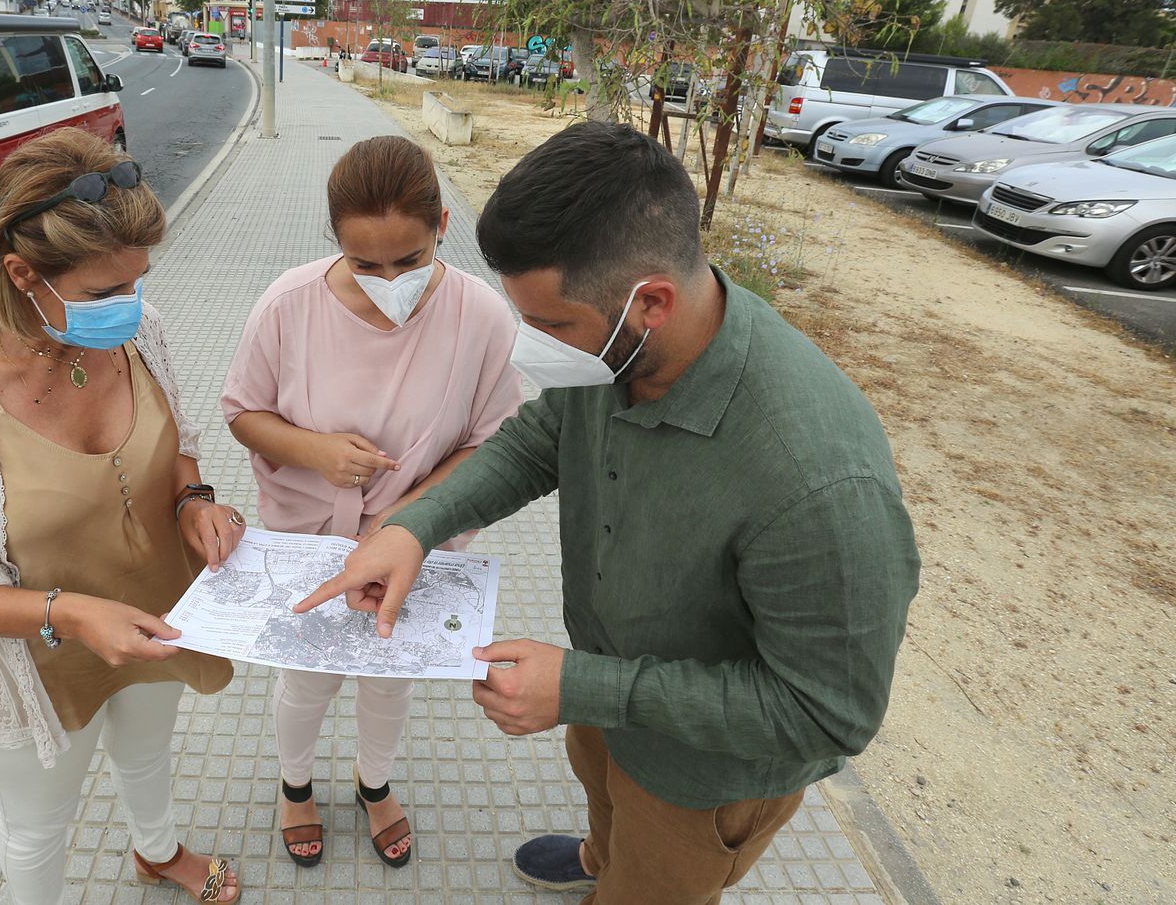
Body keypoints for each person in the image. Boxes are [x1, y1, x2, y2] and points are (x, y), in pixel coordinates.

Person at [296, 122, 921, 904]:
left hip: (701, 778)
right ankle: (602, 855)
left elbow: (825, 715)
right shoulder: (622, 349)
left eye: (552, 327)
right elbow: (535, 443)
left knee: (651, 882)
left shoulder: (820, 484)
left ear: (650, 300)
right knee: (609, 803)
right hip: (600, 697)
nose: (532, 347)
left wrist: (587, 687)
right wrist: (409, 529)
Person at [0, 128, 244, 905]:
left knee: (147, 753)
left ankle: (156, 851)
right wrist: (75, 616)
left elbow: (181, 442)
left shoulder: (139, 329)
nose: (132, 307)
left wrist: (194, 503)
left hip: (157, 618)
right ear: (20, 272)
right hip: (32, 663)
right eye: (107, 292)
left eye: (139, 282)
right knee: (40, 823)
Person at [221, 135, 521, 870]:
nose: (390, 281)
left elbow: (495, 443)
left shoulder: (482, 317)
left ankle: (373, 782)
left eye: (410, 261)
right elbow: (243, 412)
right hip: (310, 539)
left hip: (423, 542)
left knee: (391, 677)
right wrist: (315, 451)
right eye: (364, 265)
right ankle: (296, 785)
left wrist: (408, 518)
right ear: (335, 243)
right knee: (308, 678)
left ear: (443, 225)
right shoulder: (289, 305)